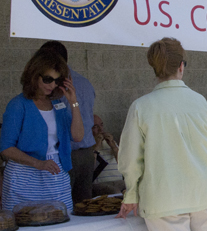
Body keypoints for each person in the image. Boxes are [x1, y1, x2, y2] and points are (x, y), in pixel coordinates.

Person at [116, 38, 207, 231]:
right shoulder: (201, 102)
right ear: (181, 67)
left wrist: (131, 194)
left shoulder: (141, 107)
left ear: (155, 68)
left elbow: (130, 159)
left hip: (164, 196)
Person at [0, 49, 84, 211]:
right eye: (47, 79)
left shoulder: (57, 104)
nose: (52, 85)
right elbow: (6, 147)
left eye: (57, 80)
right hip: (24, 178)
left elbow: (78, 136)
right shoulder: (18, 104)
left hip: (55, 174)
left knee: (63, 220)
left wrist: (73, 102)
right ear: (34, 76)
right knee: (25, 221)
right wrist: (38, 163)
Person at [40, 40, 96, 204]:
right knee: (84, 204)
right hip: (87, 152)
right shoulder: (85, 82)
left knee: (61, 205)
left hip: (65, 152)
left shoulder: (56, 86)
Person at [92, 114, 125, 196]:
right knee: (115, 192)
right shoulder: (88, 145)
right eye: (95, 127)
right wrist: (96, 147)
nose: (100, 129)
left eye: (101, 125)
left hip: (119, 181)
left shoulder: (111, 143)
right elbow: (89, 168)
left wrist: (113, 146)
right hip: (101, 183)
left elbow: (123, 164)